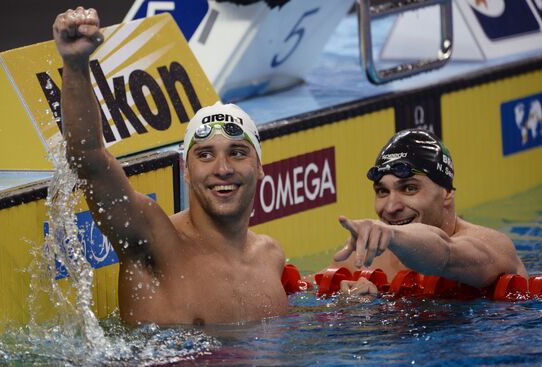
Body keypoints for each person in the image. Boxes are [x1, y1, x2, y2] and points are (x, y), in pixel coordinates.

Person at [53, 7, 288, 326]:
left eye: (237, 153)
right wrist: (76, 66)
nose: (222, 168)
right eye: (204, 155)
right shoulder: (154, 240)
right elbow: (89, 159)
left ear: (259, 166)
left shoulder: (271, 258)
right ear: (187, 170)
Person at [331, 129, 528, 288]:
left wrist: (392, 235)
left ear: (447, 192)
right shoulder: (364, 262)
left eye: (409, 188)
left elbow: (445, 255)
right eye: (382, 191)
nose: (391, 207)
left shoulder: (493, 246)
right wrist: (350, 306)